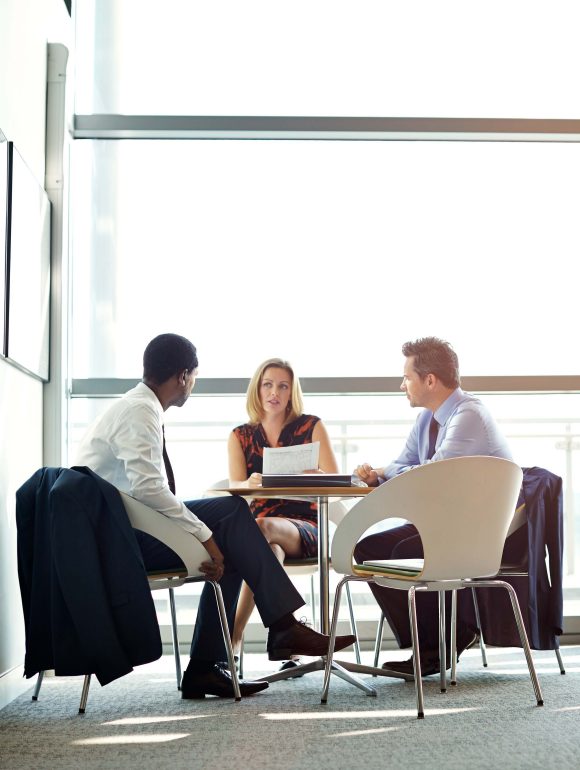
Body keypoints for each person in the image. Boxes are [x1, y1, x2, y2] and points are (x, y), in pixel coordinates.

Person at [75, 333, 355, 699]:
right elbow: (148, 490)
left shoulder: (136, 407)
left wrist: (208, 534)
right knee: (229, 517)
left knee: (233, 532)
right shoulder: (139, 412)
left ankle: (210, 667)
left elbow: (146, 492)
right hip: (123, 540)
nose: (193, 385)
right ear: (183, 376)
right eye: (193, 377)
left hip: (125, 528)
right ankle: (276, 629)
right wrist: (204, 535)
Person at [353, 336, 514, 677]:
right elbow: (405, 466)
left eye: (407, 377)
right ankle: (437, 641)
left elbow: (431, 474)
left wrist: (385, 472)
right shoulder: (427, 420)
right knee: (368, 549)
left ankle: (440, 645)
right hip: (442, 524)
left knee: (401, 551)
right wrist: (379, 476)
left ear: (429, 380)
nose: (402, 385)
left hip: (476, 532)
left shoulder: (469, 414)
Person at [228, 357, 339, 673]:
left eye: (282, 386)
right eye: (267, 384)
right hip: (264, 531)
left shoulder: (311, 426)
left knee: (262, 530)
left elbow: (336, 481)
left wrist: (315, 474)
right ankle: (284, 637)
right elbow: (235, 491)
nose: (274, 392)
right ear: (257, 389)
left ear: (292, 392)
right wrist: (247, 484)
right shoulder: (240, 436)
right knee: (268, 547)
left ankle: (234, 638)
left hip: (307, 526)